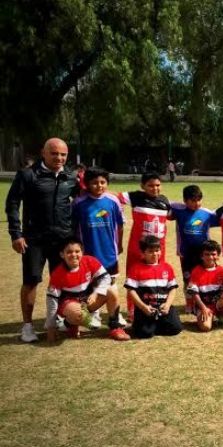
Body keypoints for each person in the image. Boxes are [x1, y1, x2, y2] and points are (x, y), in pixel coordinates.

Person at [6, 137, 79, 342]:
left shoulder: (70, 177)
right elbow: (12, 204)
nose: (59, 158)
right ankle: (27, 326)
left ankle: (58, 319)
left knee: (62, 281)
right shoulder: (28, 175)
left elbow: (83, 200)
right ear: (43, 153)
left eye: (63, 154)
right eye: (54, 153)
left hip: (62, 240)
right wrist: (16, 234)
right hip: (34, 239)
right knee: (31, 281)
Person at [72, 167, 126, 328]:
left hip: (109, 252)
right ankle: (94, 314)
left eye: (103, 182)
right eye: (94, 183)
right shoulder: (78, 203)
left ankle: (115, 313)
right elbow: (73, 227)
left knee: (111, 284)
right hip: (88, 253)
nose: (99, 186)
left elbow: (120, 225)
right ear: (87, 184)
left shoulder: (112, 201)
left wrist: (120, 244)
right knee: (92, 285)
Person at [45, 238, 130, 341]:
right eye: (69, 252)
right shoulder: (57, 274)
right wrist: (51, 327)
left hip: (87, 301)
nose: (74, 255)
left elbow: (106, 278)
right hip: (69, 306)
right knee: (79, 313)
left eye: (77, 251)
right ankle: (70, 324)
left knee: (112, 289)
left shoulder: (89, 260)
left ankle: (115, 327)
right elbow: (51, 301)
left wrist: (95, 293)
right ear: (62, 254)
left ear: (82, 252)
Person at [118, 172, 171, 322]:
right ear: (142, 186)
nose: (155, 188)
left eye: (158, 185)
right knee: (134, 279)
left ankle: (155, 306)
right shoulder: (135, 197)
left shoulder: (164, 201)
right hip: (137, 248)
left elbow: (173, 214)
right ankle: (132, 311)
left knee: (156, 278)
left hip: (158, 249)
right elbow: (114, 197)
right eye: (150, 185)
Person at [169, 185, 219, 313]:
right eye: (192, 200)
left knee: (203, 276)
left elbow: (222, 216)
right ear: (185, 201)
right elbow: (165, 205)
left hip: (204, 253)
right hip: (185, 252)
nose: (196, 203)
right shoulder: (178, 211)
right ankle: (189, 303)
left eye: (198, 200)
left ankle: (203, 301)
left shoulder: (207, 214)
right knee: (188, 279)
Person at [124, 236, 183, 339]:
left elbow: (172, 288)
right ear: (143, 253)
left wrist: (168, 305)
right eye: (151, 251)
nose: (155, 254)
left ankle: (154, 325)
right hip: (146, 309)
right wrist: (143, 307)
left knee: (176, 328)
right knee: (144, 334)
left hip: (163, 307)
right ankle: (145, 326)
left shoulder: (167, 268)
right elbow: (131, 290)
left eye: (157, 250)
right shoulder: (136, 269)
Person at [186, 240, 223, 331]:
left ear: (218, 256)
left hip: (216, 302)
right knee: (205, 327)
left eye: (213, 254)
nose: (210, 257)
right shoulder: (196, 271)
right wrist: (203, 308)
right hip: (203, 304)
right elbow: (194, 293)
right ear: (201, 256)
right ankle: (208, 315)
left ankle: (219, 313)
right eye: (207, 254)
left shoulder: (220, 270)